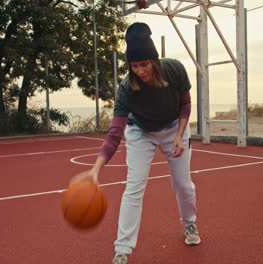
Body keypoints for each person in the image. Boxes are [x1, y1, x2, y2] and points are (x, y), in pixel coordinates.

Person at [71, 22, 200, 264]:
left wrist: (179, 134)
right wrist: (95, 170)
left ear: (154, 60)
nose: (140, 70)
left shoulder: (175, 71)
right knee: (134, 188)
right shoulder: (126, 89)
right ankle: (122, 250)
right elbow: (114, 134)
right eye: (134, 65)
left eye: (144, 64)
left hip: (174, 128)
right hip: (140, 131)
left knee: (183, 185)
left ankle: (190, 225)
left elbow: (185, 104)